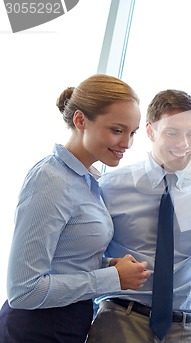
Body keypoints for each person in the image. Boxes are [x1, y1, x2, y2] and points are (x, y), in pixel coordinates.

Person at [0, 74, 148, 343]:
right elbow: (24, 289)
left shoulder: (87, 180)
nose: (127, 143)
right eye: (117, 130)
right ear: (80, 121)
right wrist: (111, 277)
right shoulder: (51, 179)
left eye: (132, 132)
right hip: (35, 328)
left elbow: (62, 260)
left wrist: (107, 264)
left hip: (68, 322)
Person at [86, 89, 191, 343]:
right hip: (120, 319)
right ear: (151, 131)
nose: (184, 144)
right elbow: (85, 256)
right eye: (172, 133)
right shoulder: (111, 186)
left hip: (183, 328)